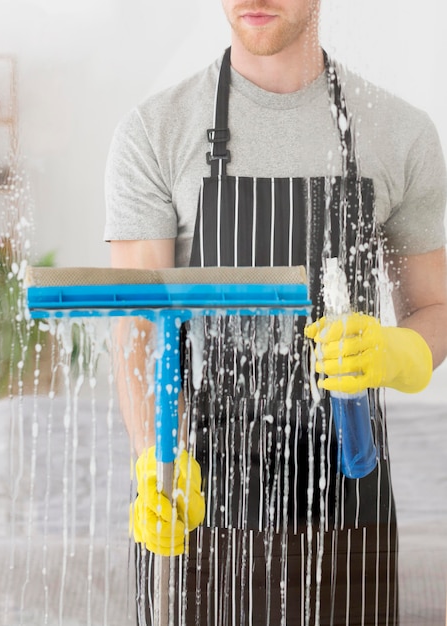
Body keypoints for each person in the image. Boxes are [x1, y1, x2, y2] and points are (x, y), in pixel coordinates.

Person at [104, 1, 447, 624]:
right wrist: (155, 462)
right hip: (201, 492)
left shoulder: (401, 131)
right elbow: (137, 327)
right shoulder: (155, 130)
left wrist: (400, 352)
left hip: (351, 478)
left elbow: (434, 305)